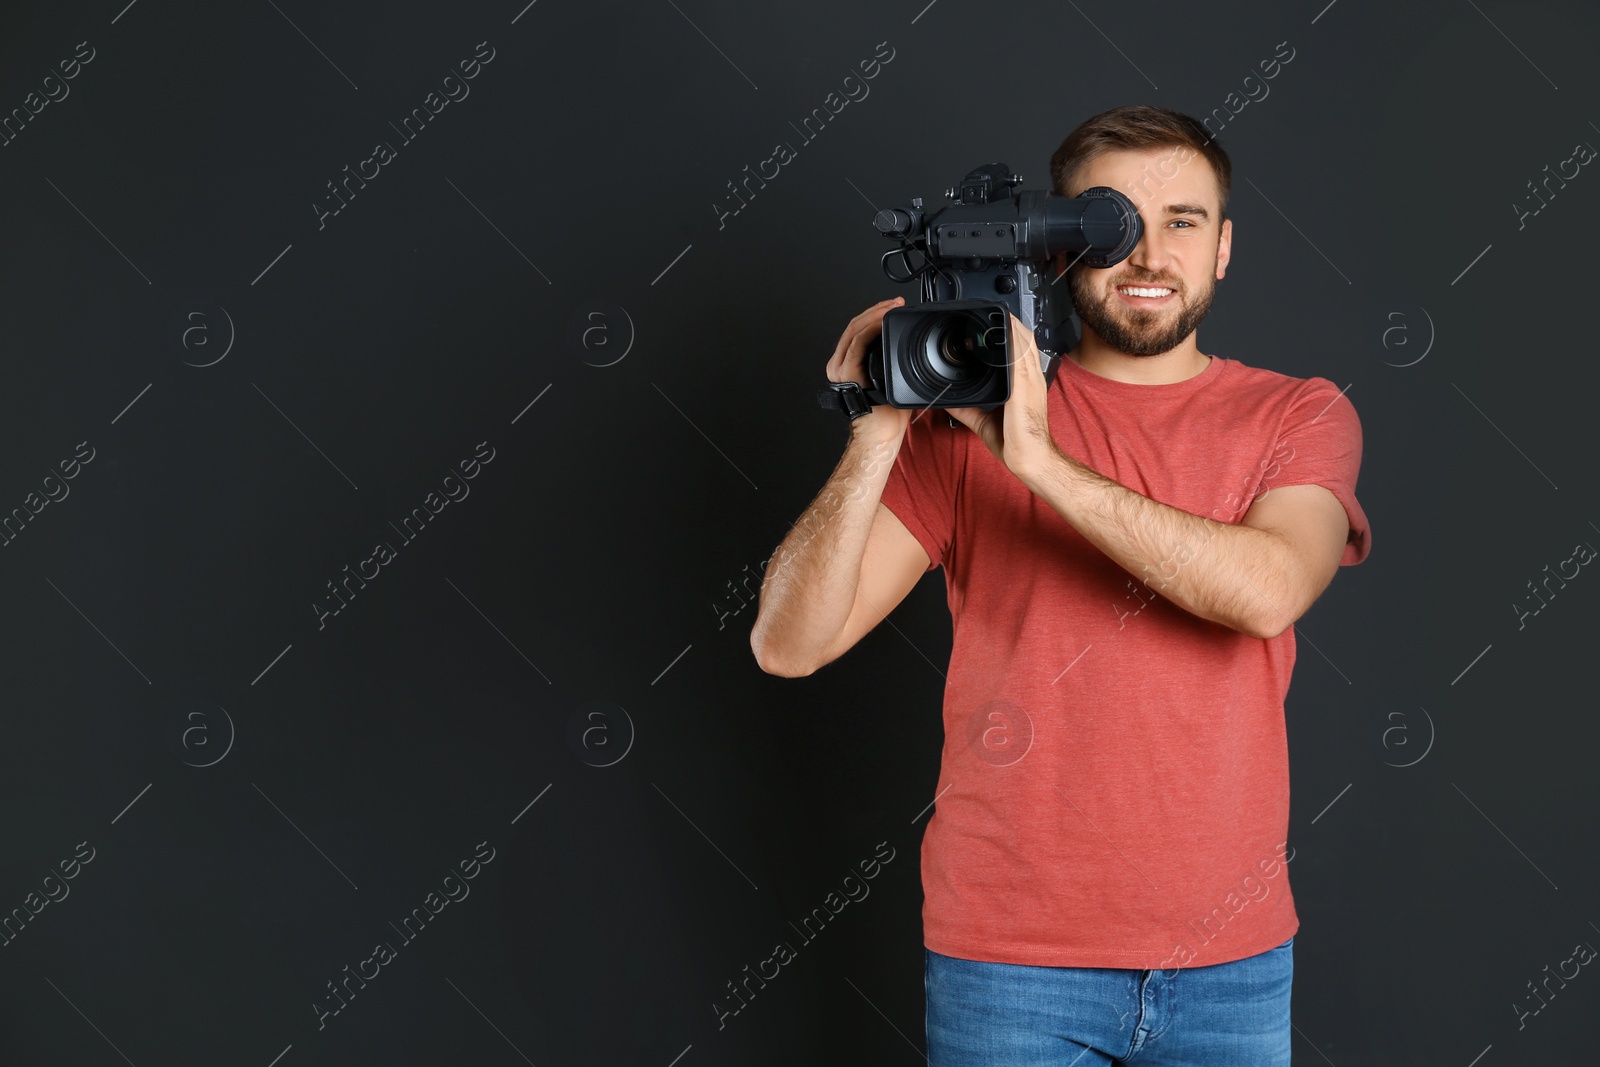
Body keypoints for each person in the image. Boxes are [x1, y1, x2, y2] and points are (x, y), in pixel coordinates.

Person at [749, 104, 1370, 1066]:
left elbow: (1267, 590)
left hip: (1229, 960)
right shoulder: (959, 421)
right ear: (1055, 246)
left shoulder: (1297, 414)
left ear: (1225, 248)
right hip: (1008, 963)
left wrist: (1036, 460)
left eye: (1183, 222)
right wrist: (876, 429)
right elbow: (787, 644)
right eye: (1111, 225)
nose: (1149, 256)